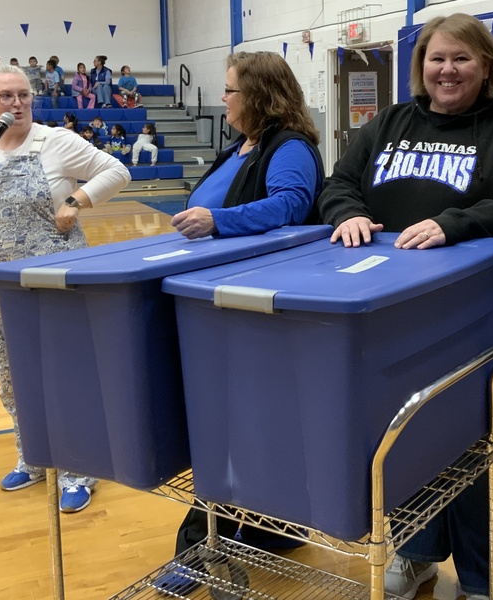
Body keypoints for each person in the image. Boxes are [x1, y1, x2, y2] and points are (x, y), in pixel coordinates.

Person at [318, 13, 493, 600]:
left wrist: (453, 224)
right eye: (436, 59)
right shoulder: (389, 124)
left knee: (476, 450)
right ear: (420, 66)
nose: (446, 70)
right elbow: (338, 182)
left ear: (486, 67)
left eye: (461, 59)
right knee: (404, 446)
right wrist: (345, 212)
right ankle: (418, 551)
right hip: (397, 318)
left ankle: (480, 580)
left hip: (479, 323)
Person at [159, 51, 324, 584]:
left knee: (239, 427)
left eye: (230, 90)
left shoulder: (290, 147)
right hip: (217, 300)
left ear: (258, 95)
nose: (223, 99)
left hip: (253, 305)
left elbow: (291, 207)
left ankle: (210, 547)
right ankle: (250, 534)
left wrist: (217, 219)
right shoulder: (242, 147)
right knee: (231, 426)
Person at [0, 65, 130, 513]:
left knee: (62, 372)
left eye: (23, 94)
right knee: (10, 374)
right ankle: (33, 455)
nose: (17, 103)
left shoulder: (54, 142)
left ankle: (79, 468)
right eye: (6, 96)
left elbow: (115, 170)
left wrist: (75, 201)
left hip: (54, 280)